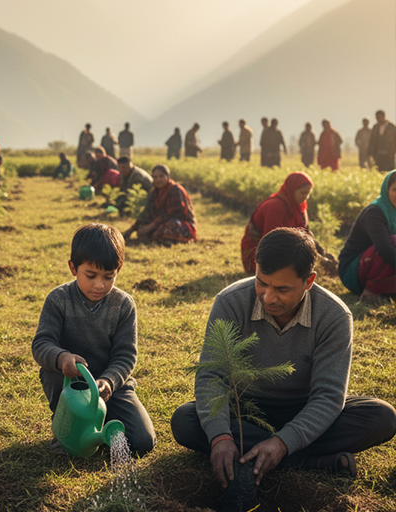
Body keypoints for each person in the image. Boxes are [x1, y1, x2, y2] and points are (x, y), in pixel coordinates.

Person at [170, 228, 396, 496]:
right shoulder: (230, 302)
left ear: (309, 281)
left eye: (282, 289)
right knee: (185, 420)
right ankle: (312, 462)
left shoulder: (334, 316)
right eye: (262, 282)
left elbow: (328, 396)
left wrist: (282, 442)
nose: (268, 297)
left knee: (382, 416)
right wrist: (220, 436)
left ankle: (276, 452)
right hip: (245, 413)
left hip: (304, 409)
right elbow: (212, 376)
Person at [32, 223, 156, 456]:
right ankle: (67, 427)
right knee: (51, 371)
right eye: (91, 275)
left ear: (118, 269)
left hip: (111, 388)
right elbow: (41, 344)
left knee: (142, 441)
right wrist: (62, 358)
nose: (99, 285)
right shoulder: (58, 300)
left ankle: (99, 425)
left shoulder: (124, 305)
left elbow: (126, 355)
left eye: (108, 277)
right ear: (73, 268)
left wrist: (109, 381)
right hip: (72, 384)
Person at [241, 172, 314, 274]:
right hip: (259, 254)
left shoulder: (299, 206)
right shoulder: (276, 206)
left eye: (308, 193)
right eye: (302, 193)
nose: (305, 197)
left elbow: (305, 232)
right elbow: (271, 242)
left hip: (284, 248)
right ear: (291, 191)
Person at [338, 170, 396, 298]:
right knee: (393, 241)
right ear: (387, 191)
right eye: (395, 190)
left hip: (379, 264)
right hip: (352, 271)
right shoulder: (374, 213)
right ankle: (372, 292)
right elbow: (385, 249)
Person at [123, 164, 197, 244]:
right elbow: (146, 212)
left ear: (168, 177)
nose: (158, 179)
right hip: (159, 223)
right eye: (155, 177)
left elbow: (174, 214)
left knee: (170, 227)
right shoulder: (154, 191)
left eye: (161, 176)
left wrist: (151, 226)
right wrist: (131, 230)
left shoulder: (175, 190)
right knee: (143, 227)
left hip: (180, 223)